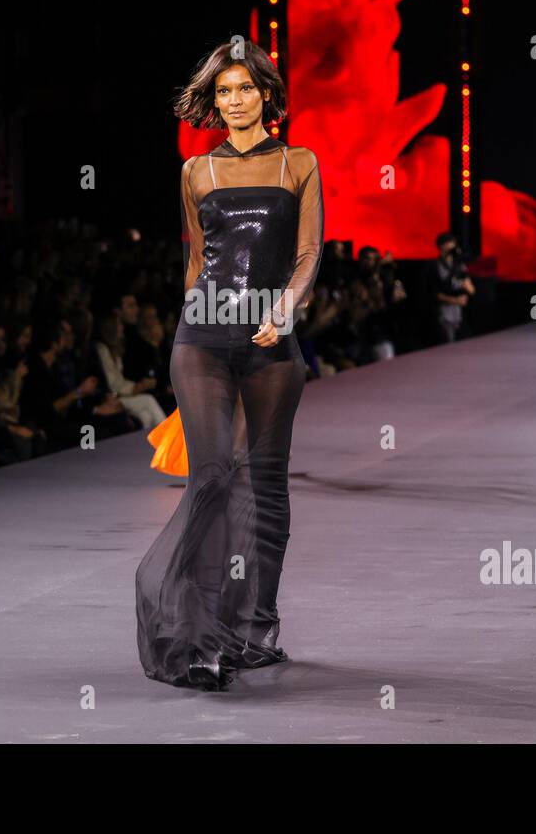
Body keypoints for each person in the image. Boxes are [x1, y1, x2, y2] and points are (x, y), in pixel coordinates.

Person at [135, 39, 323, 691]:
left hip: (273, 341)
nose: (233, 101)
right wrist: (191, 320)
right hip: (204, 336)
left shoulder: (299, 163)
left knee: (265, 488)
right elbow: (196, 262)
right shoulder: (197, 171)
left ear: (266, 95)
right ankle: (193, 627)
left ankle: (256, 626)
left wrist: (290, 309)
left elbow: (307, 254)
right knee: (211, 475)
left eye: (243, 89)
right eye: (223, 92)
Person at [429, 232, 474, 343]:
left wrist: (468, 289)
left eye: (453, 242)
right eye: (449, 242)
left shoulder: (459, 265)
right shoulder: (435, 266)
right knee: (447, 343)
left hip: (460, 313)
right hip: (444, 313)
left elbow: (471, 289)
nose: (453, 245)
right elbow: (434, 293)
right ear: (442, 246)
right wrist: (455, 300)